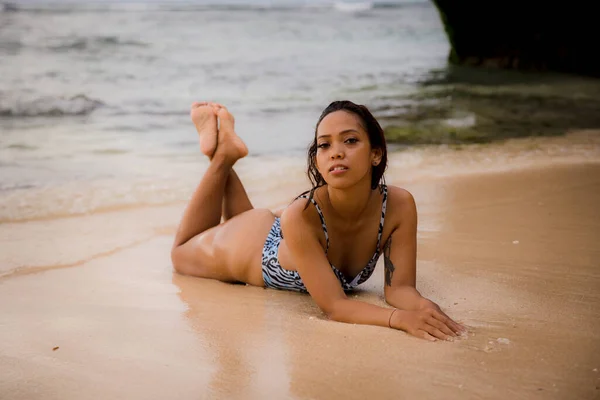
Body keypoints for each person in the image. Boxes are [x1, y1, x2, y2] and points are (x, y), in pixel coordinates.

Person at [171, 100, 465, 341]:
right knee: (180, 254)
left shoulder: (399, 205)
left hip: (289, 235)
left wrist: (428, 310)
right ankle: (222, 155)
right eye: (324, 145)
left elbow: (399, 289)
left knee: (239, 220)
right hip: (256, 248)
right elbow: (336, 306)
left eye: (350, 140)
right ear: (317, 161)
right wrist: (399, 319)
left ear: (376, 153)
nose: (336, 151)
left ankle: (224, 146)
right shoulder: (302, 214)